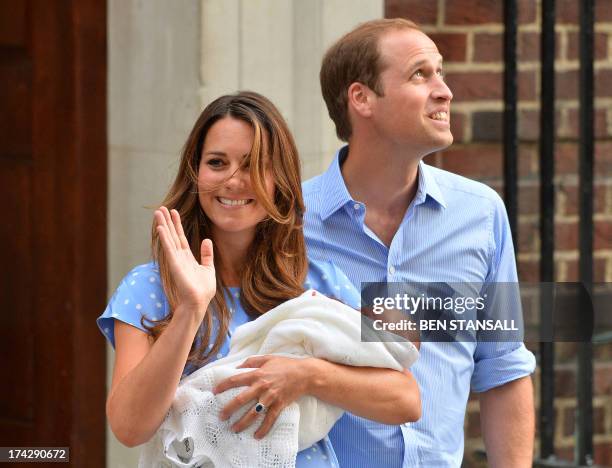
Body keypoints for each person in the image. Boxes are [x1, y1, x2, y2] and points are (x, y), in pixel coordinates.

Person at [97, 91, 421, 466]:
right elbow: (129, 427)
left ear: (278, 179)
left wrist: (307, 375)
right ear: (195, 173)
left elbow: (406, 400)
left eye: (254, 165)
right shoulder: (149, 287)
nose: (233, 181)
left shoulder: (318, 281)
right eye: (217, 162)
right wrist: (190, 309)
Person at [303, 18, 536, 467]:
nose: (444, 90)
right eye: (419, 74)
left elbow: (503, 368)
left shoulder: (481, 215)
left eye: (441, 72)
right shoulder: (289, 223)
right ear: (362, 98)